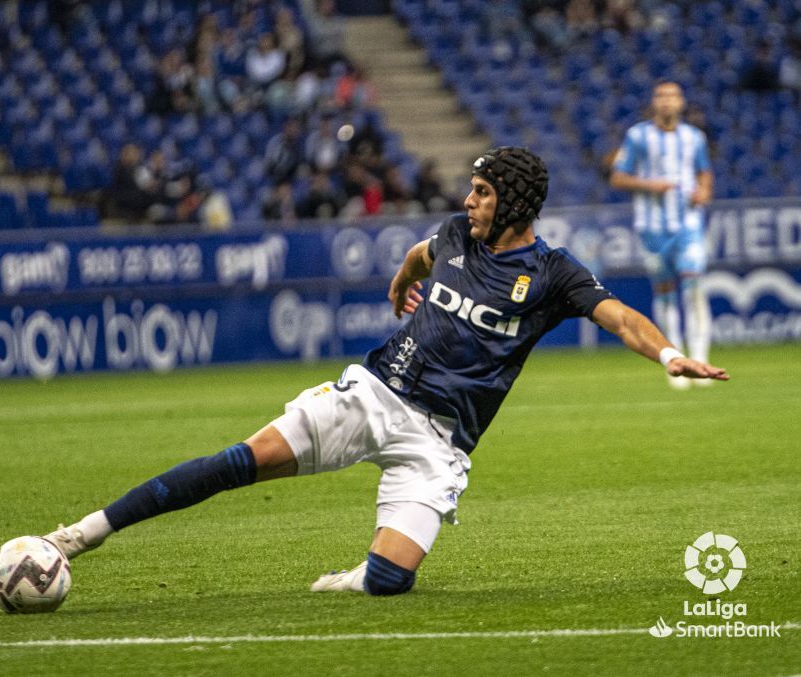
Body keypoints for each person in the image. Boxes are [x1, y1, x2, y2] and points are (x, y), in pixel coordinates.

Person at [44, 147, 728, 596]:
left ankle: (359, 575)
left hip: (439, 444)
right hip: (375, 393)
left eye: (482, 192)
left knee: (389, 582)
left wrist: (668, 354)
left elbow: (619, 317)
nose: (469, 199)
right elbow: (418, 256)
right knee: (239, 461)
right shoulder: (457, 237)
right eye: (471, 188)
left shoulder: (553, 274)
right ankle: (82, 533)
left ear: (514, 204)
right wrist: (400, 284)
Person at [609, 81, 714, 390]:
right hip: (652, 228)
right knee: (665, 291)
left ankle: (701, 356)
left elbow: (704, 173)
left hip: (688, 224)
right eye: (661, 96)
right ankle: (675, 361)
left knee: (694, 284)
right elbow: (618, 177)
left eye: (673, 96)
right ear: (654, 103)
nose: (667, 102)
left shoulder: (694, 137)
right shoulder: (638, 136)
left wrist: (704, 191)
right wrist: (648, 185)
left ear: (681, 103)